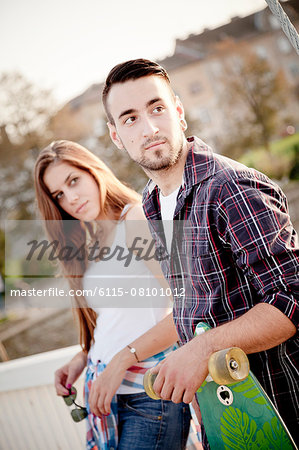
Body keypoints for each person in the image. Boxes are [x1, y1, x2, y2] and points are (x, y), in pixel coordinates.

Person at [101, 58, 299, 447]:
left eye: (157, 108)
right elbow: (195, 308)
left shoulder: (231, 188)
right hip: (222, 419)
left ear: (179, 112)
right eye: (130, 118)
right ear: (116, 137)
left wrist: (203, 348)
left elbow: (292, 299)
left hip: (281, 413)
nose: (149, 127)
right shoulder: (154, 203)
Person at [34, 140, 193, 449]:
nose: (72, 198)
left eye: (73, 181)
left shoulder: (135, 219)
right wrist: (83, 358)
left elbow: (188, 311)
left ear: (93, 171)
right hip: (106, 391)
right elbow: (117, 319)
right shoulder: (92, 240)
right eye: (59, 195)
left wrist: (121, 361)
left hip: (148, 394)